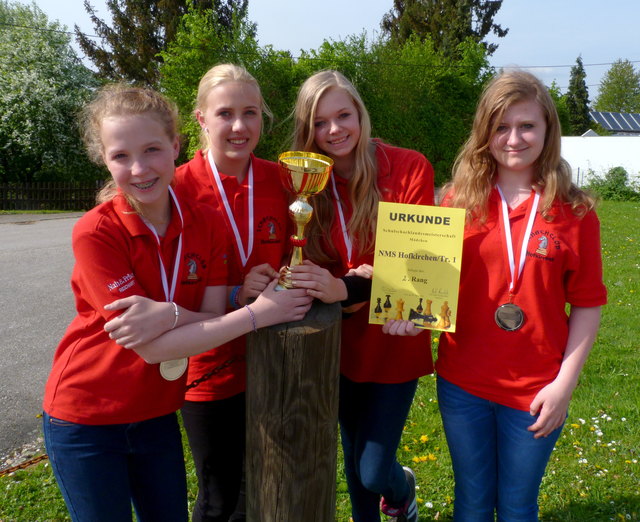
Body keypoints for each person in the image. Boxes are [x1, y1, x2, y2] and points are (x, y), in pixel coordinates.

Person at [42, 85, 311, 522]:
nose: (139, 168)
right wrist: (256, 314)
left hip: (158, 413)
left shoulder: (203, 220)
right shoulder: (96, 231)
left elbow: (209, 317)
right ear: (104, 160)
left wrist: (170, 316)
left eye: (151, 149)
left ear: (176, 145)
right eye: (121, 156)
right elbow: (150, 347)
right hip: (86, 416)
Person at [386, 70, 607, 521]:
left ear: (548, 130)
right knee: (469, 502)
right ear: (484, 132)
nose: (514, 138)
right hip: (463, 384)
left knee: (517, 506)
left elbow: (587, 303)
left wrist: (564, 386)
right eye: (501, 126)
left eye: (527, 125)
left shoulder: (575, 212)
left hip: (537, 390)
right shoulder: (455, 204)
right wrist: (409, 310)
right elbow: (424, 284)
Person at [287, 70, 435, 522]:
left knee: (373, 470)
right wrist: (358, 280)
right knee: (353, 464)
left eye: (343, 115)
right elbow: (306, 264)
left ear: (360, 114)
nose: (334, 130)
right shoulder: (304, 181)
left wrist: (344, 285)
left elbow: (416, 268)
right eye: (319, 121)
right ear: (306, 129)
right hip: (338, 343)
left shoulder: (408, 167)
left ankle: (402, 485)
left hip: (394, 337)